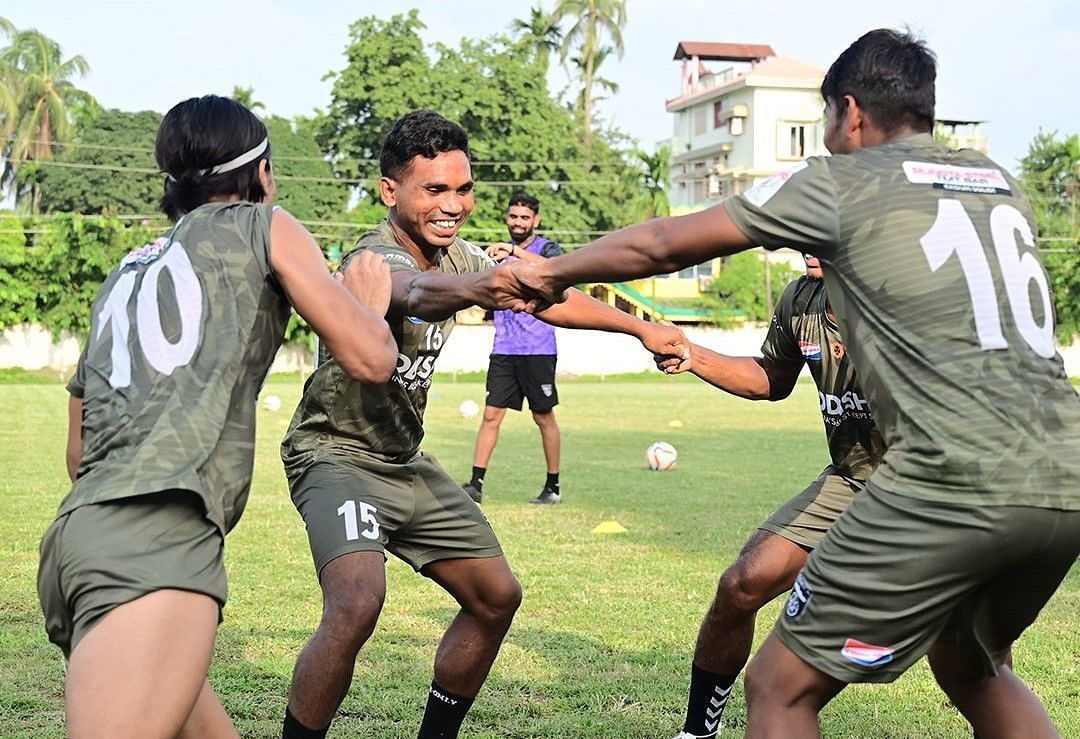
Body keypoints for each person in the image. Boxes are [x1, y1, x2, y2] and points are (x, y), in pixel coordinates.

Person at [504, 29, 1080, 739]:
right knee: (970, 666)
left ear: (851, 113)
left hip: (944, 474)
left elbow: (661, 244)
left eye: (830, 127)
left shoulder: (847, 179)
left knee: (779, 686)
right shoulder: (999, 187)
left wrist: (548, 270)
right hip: (1064, 475)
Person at [278, 109, 688, 739]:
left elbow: (547, 294)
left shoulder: (460, 254)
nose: (453, 204)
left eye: (463, 189)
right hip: (337, 455)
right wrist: (478, 286)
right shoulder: (373, 258)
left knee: (496, 597)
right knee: (357, 604)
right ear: (391, 192)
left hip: (404, 459)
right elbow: (413, 292)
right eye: (434, 190)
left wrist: (638, 327)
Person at [36, 94, 397, 739]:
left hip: (79, 544)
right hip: (160, 545)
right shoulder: (266, 224)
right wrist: (368, 302)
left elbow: (77, 449)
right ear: (259, 174)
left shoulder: (128, 269)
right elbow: (372, 358)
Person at [663, 255, 884, 738]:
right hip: (850, 479)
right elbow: (773, 377)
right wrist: (694, 354)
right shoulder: (800, 297)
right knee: (741, 585)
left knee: (966, 648)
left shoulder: (896, 293)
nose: (801, 239)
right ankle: (698, 732)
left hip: (921, 487)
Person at [462, 192, 566, 505]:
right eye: (513, 217)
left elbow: (556, 270)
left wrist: (514, 251)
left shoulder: (544, 248)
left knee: (543, 417)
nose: (517, 222)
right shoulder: (496, 254)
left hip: (538, 348)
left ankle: (553, 487)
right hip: (504, 348)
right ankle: (475, 485)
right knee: (491, 415)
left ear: (536, 220)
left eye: (524, 218)